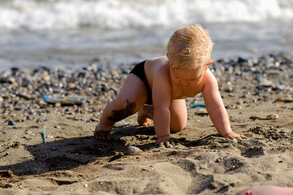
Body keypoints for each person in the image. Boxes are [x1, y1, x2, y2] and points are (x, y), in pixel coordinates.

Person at [94, 24, 242, 144]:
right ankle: (104, 124)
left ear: (206, 66)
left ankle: (146, 111)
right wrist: (163, 136)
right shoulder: (163, 73)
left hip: (169, 95)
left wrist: (226, 131)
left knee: (177, 125)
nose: (183, 83)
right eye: (177, 77)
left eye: (191, 80)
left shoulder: (208, 80)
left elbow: (216, 107)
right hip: (144, 79)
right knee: (126, 104)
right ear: (169, 60)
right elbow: (162, 108)